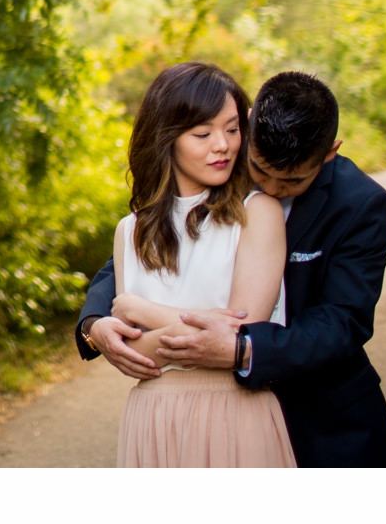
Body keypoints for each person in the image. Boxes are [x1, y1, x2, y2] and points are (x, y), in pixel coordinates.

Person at [76, 70, 386, 467]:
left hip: (317, 408)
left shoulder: (359, 205)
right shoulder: (224, 158)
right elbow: (146, 253)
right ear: (249, 126)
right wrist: (94, 322)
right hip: (182, 417)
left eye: (291, 181)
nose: (271, 187)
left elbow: (341, 322)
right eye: (260, 170)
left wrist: (239, 346)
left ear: (329, 152)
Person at [107, 61, 295, 467]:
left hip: (236, 413)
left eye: (232, 129)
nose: (223, 145)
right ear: (167, 139)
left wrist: (141, 311)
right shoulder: (130, 231)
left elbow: (240, 334)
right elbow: (133, 355)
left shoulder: (257, 212)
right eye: (203, 133)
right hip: (153, 419)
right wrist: (199, 332)